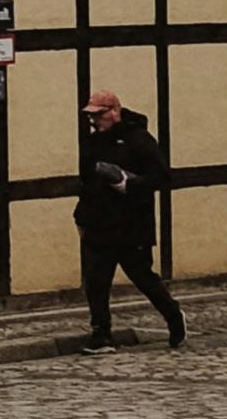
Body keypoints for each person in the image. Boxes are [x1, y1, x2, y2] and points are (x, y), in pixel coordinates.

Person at [74, 86, 183, 348]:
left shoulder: (139, 139)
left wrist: (129, 186)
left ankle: (173, 316)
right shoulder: (92, 143)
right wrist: (81, 215)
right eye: (91, 116)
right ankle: (101, 333)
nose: (94, 121)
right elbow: (87, 183)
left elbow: (162, 177)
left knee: (143, 277)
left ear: (114, 112)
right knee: (96, 281)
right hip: (98, 223)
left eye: (98, 115)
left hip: (131, 225)